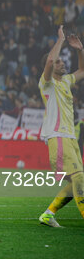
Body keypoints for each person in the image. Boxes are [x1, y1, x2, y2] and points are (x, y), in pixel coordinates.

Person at [37, 26, 84, 227]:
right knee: (80, 177)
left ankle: (48, 214)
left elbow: (82, 70)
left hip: (70, 137)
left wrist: (80, 50)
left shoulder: (66, 81)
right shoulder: (46, 83)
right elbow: (49, 60)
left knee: (77, 181)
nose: (62, 62)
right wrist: (60, 40)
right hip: (58, 137)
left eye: (62, 60)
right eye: (58, 61)